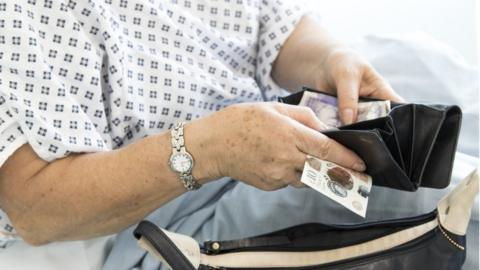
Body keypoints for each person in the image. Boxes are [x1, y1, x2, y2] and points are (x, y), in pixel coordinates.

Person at [0, 0, 403, 268]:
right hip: (168, 215)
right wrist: (210, 149)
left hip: (266, 123)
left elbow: (271, 26)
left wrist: (330, 58)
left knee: (445, 99)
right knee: (439, 202)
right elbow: (36, 209)